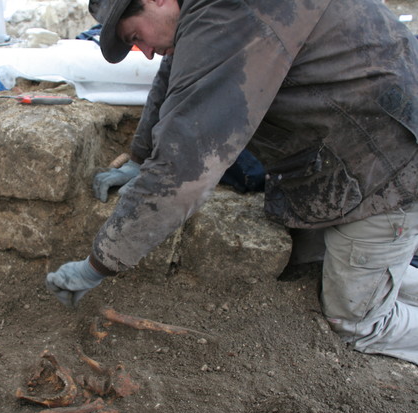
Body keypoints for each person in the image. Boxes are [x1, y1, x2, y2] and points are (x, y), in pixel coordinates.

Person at [45, 0, 418, 365]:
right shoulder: (206, 13)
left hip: (387, 161)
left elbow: (183, 171)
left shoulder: (231, 13)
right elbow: (178, 77)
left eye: (134, 36)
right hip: (354, 143)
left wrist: (97, 265)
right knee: (328, 271)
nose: (144, 54)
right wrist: (140, 159)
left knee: (355, 320)